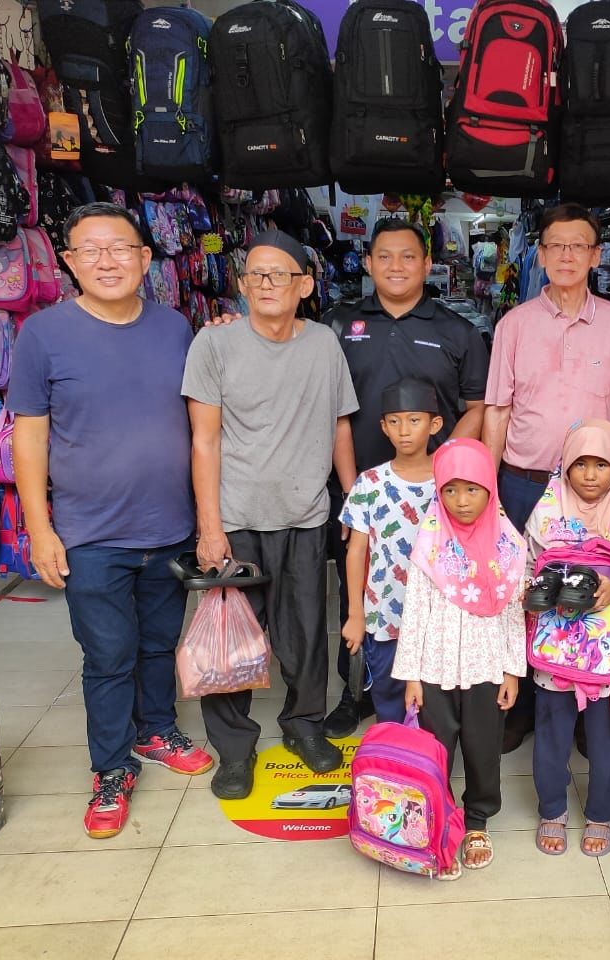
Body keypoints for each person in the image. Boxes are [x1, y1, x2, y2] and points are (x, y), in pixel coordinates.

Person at [8, 202, 212, 840]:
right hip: (90, 535)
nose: (107, 261)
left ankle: (156, 731)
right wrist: (40, 529)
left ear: (146, 258)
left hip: (169, 526)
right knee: (108, 655)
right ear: (68, 261)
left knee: (158, 643)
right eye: (90, 250)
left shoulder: (176, 328)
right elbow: (28, 437)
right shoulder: (43, 334)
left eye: (120, 247)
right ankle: (112, 768)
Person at [184, 229, 359, 800]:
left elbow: (339, 424)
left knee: (305, 635)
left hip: (305, 516)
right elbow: (204, 440)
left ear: (304, 285)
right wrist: (210, 528)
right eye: (254, 274)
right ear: (241, 283)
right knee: (231, 641)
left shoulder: (324, 345)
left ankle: (304, 725)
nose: (264, 283)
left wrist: (354, 501)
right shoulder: (214, 344)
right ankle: (235, 751)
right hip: (236, 520)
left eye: (278, 273)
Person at [483, 203, 610, 751]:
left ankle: (584, 702)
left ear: (596, 256)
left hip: (594, 493)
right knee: (523, 592)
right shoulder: (514, 325)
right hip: (524, 482)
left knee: (586, 592)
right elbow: (498, 410)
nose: (567, 256)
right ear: (540, 254)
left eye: (579, 245)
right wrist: (489, 488)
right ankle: (519, 704)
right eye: (556, 245)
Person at [322, 218, 490, 739]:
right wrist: (351, 491)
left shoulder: (457, 331)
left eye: (408, 256)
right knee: (359, 586)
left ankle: (433, 689)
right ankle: (356, 691)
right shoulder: (338, 326)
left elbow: (477, 408)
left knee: (431, 586)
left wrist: (449, 475)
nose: (396, 266)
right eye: (385, 256)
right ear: (368, 263)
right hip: (364, 491)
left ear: (427, 263)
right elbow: (336, 415)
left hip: (435, 496)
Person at [392, 438, 527, 878]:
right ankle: (439, 820)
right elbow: (414, 612)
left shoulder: (509, 546)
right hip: (434, 666)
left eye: (472, 489)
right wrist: (411, 676)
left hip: (486, 666)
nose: (461, 500)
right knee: (435, 749)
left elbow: (514, 613)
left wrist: (512, 671)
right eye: (450, 490)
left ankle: (477, 822)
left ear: (490, 488)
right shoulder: (429, 543)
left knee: (483, 746)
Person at [527, 420, 610, 859]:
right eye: (580, 464)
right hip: (555, 652)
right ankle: (551, 808)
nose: (590, 475)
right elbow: (526, 571)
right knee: (551, 733)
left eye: (601, 464)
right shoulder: (545, 513)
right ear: (565, 466)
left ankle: (601, 812)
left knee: (604, 738)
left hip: (605, 656)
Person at [338, 378, 444, 724]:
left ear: (435, 424)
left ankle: (428, 757)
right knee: (388, 698)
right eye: (394, 422)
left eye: (414, 420)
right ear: (383, 427)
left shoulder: (449, 483)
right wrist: (356, 614)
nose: (404, 430)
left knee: (434, 704)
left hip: (437, 617)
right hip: (384, 614)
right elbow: (356, 552)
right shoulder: (369, 483)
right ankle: (392, 755)